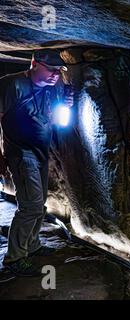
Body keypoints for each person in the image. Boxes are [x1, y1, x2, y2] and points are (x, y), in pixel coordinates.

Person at [0, 49, 73, 276]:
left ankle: (31, 246)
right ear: (34, 63)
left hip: (40, 152)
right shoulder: (12, 85)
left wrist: (66, 106)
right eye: (50, 69)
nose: (54, 75)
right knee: (30, 205)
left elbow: (52, 117)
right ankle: (14, 258)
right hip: (21, 153)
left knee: (39, 203)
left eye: (58, 71)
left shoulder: (51, 90)